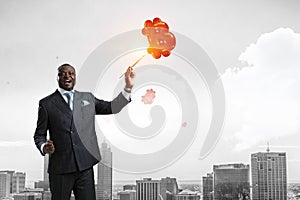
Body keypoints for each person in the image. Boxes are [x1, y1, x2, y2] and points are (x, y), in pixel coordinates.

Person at [34, 63, 135, 200]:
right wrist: (44, 146)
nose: (67, 76)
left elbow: (113, 107)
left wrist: (128, 87)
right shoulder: (47, 104)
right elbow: (39, 135)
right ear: (57, 78)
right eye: (63, 73)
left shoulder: (87, 98)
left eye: (71, 73)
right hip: (61, 168)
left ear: (75, 77)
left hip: (85, 166)